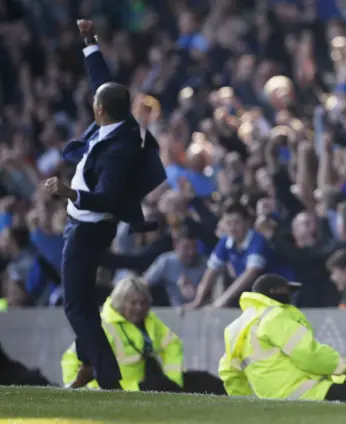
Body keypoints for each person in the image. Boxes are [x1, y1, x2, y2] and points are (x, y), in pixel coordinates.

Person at [43, 20, 166, 390]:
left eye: (95, 101)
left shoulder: (119, 150)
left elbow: (109, 197)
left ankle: (106, 378)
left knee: (76, 305)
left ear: (98, 111)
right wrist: (90, 42)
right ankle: (87, 362)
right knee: (79, 300)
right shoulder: (119, 119)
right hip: (81, 222)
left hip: (90, 226)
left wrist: (70, 193)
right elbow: (103, 80)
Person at [218, 274, 346, 405]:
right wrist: (341, 365)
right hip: (310, 392)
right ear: (273, 292)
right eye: (286, 291)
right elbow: (307, 354)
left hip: (276, 401)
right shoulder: (275, 315)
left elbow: (229, 374)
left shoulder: (236, 328)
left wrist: (249, 404)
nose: (290, 296)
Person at [61, 276, 226, 395]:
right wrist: (84, 391)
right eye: (133, 303)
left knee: (206, 380)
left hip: (147, 384)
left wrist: (174, 380)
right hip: (122, 390)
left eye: (143, 302)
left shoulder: (149, 320)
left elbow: (172, 345)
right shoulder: (104, 326)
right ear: (120, 303)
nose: (139, 308)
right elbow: (71, 359)